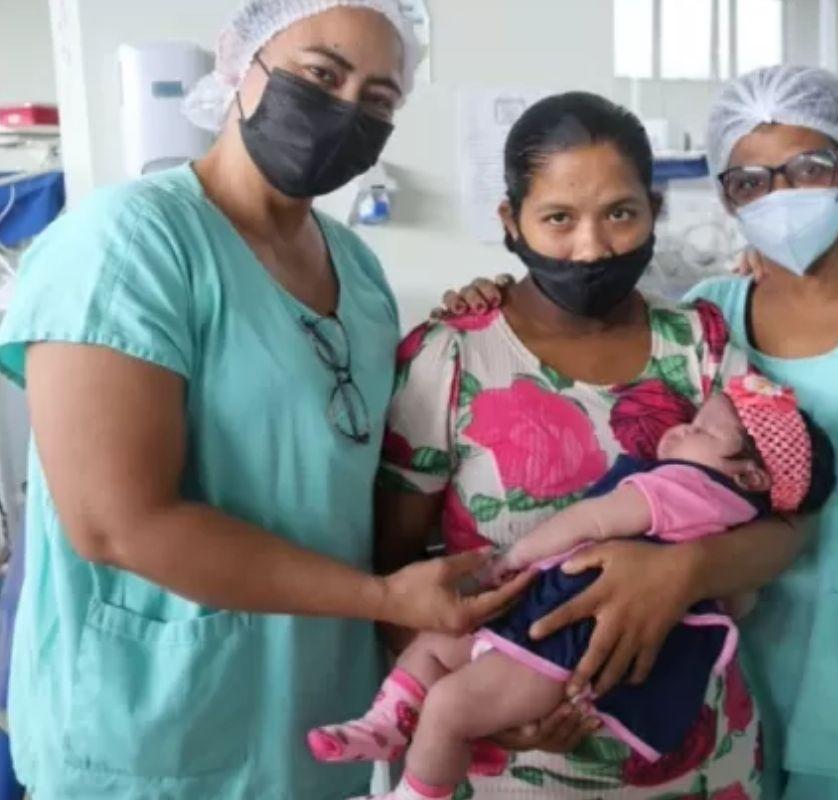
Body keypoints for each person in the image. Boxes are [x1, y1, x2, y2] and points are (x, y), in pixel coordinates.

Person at [0, 2, 529, 798]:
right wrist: (381, 598)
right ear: (238, 63)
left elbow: (358, 478)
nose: (347, 107)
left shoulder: (357, 270)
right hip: (153, 726)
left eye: (379, 97)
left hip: (314, 716)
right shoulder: (127, 245)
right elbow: (116, 522)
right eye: (322, 73)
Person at [442, 67, 838, 800]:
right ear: (725, 196)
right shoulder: (712, 315)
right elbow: (577, 312)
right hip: (711, 670)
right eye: (750, 180)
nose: (782, 197)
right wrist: (496, 291)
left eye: (809, 169)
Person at [376, 90, 806, 799]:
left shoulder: (699, 344)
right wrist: (470, 698)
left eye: (620, 213)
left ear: (654, 212)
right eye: (557, 219)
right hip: (513, 764)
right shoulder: (449, 358)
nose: (593, 246)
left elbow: (789, 519)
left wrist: (682, 571)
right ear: (510, 222)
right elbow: (392, 574)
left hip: (700, 760)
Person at [313, 376, 837, 800]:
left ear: (749, 477)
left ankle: (414, 792)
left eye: (700, 432)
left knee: (449, 705)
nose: (677, 432)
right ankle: (384, 727)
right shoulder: (735, 520)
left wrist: (513, 559)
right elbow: (740, 601)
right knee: (436, 655)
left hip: (560, 643)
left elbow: (592, 519)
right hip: (550, 637)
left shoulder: (685, 489)